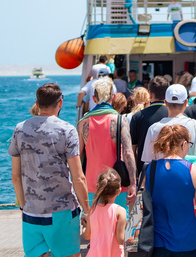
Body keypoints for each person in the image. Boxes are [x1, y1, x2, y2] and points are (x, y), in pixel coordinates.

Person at [10, 83, 90, 257]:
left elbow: (15, 177)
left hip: (32, 212)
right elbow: (78, 178)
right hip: (62, 212)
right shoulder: (67, 130)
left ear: (37, 104)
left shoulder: (19, 129)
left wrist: (25, 207)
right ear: (60, 103)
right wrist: (87, 210)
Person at [147, 125, 196, 257]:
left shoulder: (149, 170)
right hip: (186, 241)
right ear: (184, 144)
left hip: (157, 241)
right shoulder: (194, 171)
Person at [76, 77, 136, 209]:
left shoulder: (83, 123)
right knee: (118, 226)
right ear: (113, 97)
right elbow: (127, 153)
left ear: (94, 98)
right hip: (117, 185)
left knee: (95, 227)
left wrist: (76, 186)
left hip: (91, 186)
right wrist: (133, 183)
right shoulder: (120, 121)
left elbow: (77, 157)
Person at [140, 84, 196, 169]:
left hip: (163, 180)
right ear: (186, 102)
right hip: (192, 179)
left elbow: (148, 163)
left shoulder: (153, 129)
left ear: (165, 103)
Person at [82, 168, 127, 257]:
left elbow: (87, 236)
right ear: (118, 192)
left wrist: (84, 226)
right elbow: (120, 240)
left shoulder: (93, 209)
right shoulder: (120, 211)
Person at [130, 76, 169, 172]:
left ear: (150, 95)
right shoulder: (173, 115)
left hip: (145, 170)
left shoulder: (137, 116)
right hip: (170, 168)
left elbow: (132, 150)